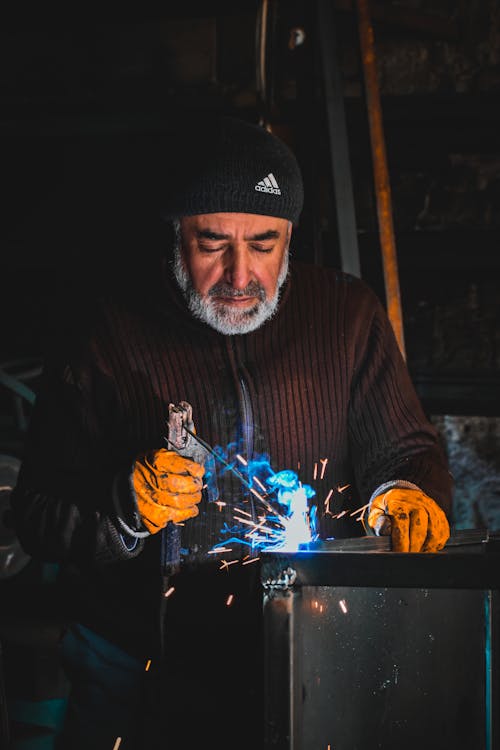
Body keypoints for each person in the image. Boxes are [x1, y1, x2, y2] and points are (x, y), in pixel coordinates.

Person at [10, 115, 452, 749]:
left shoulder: (346, 316)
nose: (241, 276)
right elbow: (37, 513)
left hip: (313, 652)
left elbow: (407, 452)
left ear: (290, 236)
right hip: (135, 671)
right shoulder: (104, 330)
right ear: (176, 235)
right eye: (212, 243)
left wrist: (406, 491)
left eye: (265, 244)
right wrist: (125, 508)